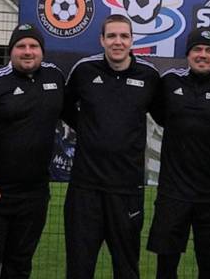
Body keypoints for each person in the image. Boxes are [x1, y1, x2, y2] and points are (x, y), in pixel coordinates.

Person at [63, 14, 160, 278]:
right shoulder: (84, 70)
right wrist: (89, 129)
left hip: (126, 189)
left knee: (127, 269)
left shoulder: (149, 76)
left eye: (124, 36)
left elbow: (165, 116)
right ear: (102, 40)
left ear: (132, 40)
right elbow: (64, 107)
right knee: (79, 268)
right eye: (112, 36)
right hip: (86, 189)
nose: (118, 42)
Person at [0, 23, 64, 278]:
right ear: (11, 51)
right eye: (21, 46)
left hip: (34, 196)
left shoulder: (55, 77)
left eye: (34, 46)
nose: (28, 51)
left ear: (42, 51)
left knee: (19, 266)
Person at [146, 28, 210, 279]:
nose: (202, 55)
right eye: (197, 49)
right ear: (188, 53)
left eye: (209, 50)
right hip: (173, 191)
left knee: (208, 267)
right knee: (166, 266)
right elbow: (159, 115)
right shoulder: (170, 81)